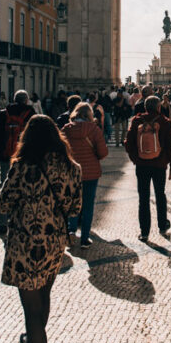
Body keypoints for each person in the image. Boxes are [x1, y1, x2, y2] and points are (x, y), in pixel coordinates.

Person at [0, 115, 81, 343]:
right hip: (55, 244)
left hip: (26, 245)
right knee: (43, 298)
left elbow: (3, 202)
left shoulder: (22, 167)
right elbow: (75, 208)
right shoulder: (72, 168)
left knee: (31, 310)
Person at [125, 94, 171, 241]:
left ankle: (144, 232)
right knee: (160, 195)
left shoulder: (137, 121)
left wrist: (136, 159)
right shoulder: (165, 122)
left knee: (143, 197)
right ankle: (162, 226)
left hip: (142, 165)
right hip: (159, 165)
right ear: (159, 107)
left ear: (145, 107)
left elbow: (128, 143)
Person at [62, 102, 108, 247]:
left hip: (71, 172)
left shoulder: (66, 129)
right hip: (90, 173)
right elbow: (103, 153)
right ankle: (85, 238)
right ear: (89, 114)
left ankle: (71, 231)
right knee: (88, 205)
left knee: (72, 202)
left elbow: (61, 151)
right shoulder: (94, 129)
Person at [0, 90, 36, 235]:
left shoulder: (4, 114)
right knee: (25, 188)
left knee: (4, 187)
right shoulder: (31, 114)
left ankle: (2, 223)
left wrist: (1, 153)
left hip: (6, 156)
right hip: (24, 158)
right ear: (26, 100)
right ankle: (21, 221)